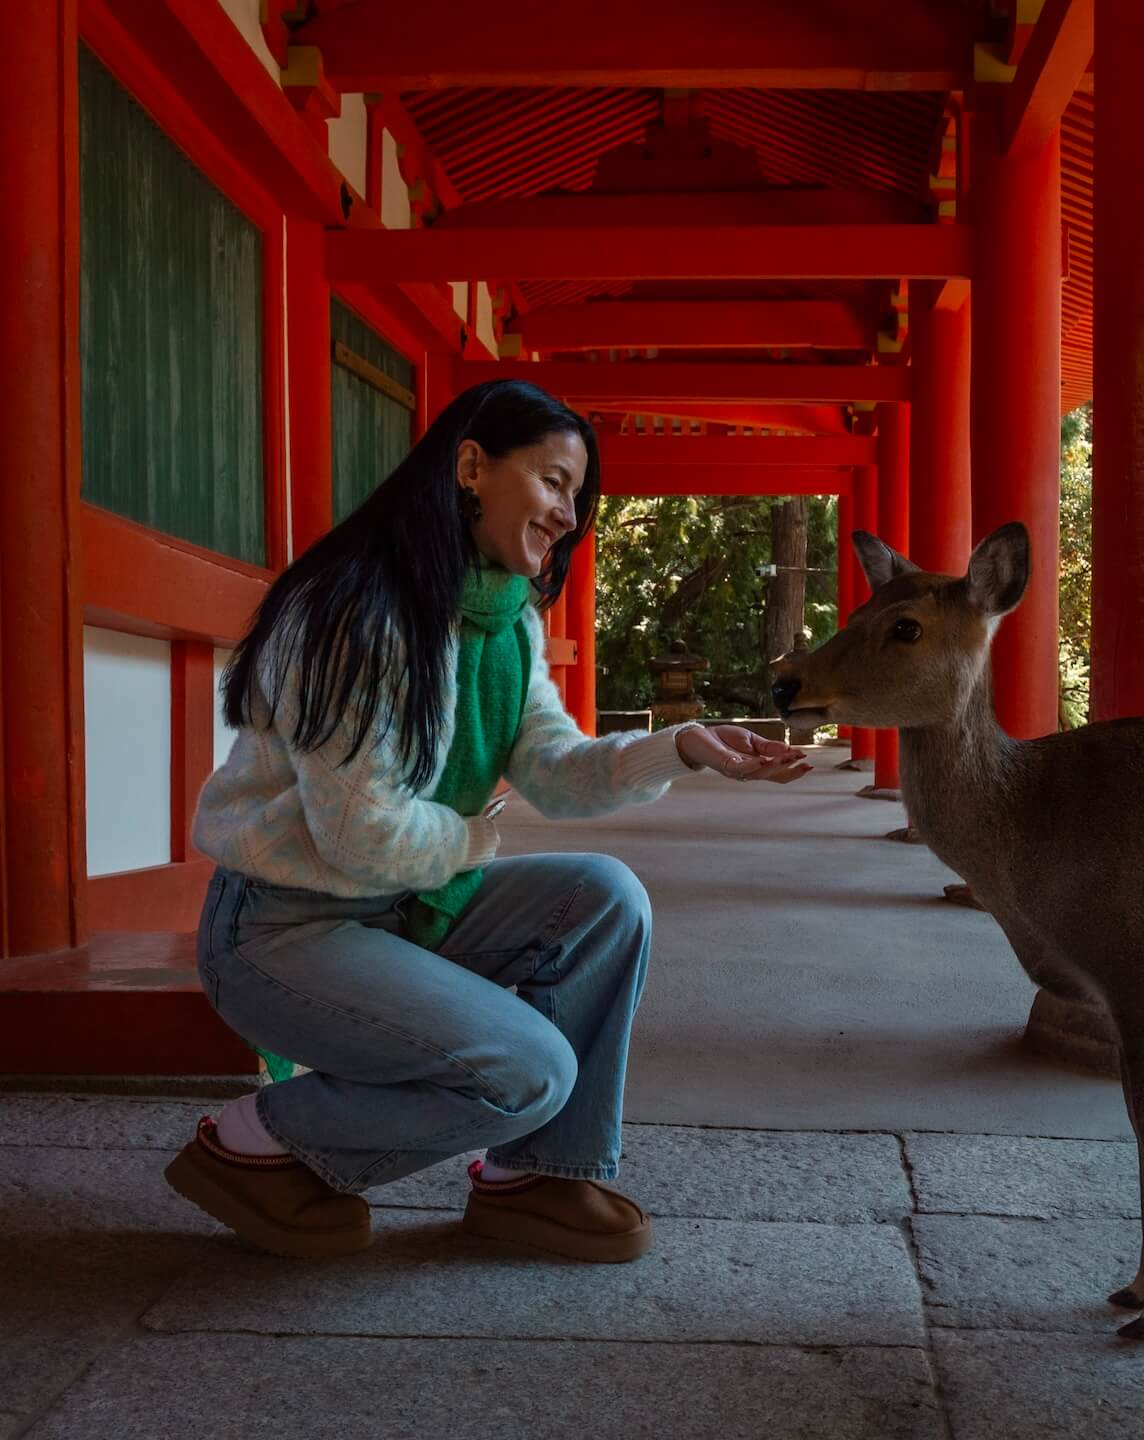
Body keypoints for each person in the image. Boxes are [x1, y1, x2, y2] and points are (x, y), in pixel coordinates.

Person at [165, 379, 811, 1264]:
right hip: (281, 931)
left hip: (397, 909)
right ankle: (256, 1141)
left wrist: (682, 747)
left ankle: (538, 1176)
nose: (567, 513)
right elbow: (362, 835)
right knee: (527, 1070)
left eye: (577, 496)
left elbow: (559, 771)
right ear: (472, 467)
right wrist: (474, 837)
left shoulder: (505, 621)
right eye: (553, 481)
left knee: (603, 896)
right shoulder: (358, 611)